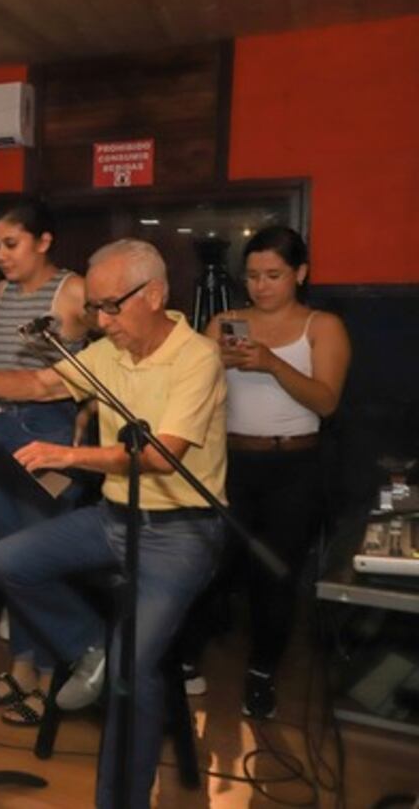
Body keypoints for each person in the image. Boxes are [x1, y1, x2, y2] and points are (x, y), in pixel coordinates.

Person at [0, 239, 227, 809]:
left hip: (184, 529)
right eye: (98, 309)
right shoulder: (110, 351)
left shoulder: (197, 357)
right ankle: (92, 648)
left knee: (132, 675)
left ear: (155, 295)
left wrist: (71, 456)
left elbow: (164, 453)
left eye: (112, 306)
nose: (103, 320)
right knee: (9, 559)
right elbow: (42, 384)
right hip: (114, 517)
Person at [207, 226, 350, 719]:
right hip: (232, 461)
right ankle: (188, 658)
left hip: (295, 464)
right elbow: (195, 391)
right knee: (213, 563)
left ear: (300, 274)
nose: (260, 286)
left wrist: (270, 362)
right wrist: (212, 362)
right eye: (252, 275)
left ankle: (263, 673)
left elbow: (326, 401)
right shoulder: (225, 321)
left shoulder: (322, 325)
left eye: (273, 275)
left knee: (276, 574)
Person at [0, 201, 90, 725]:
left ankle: (53, 673)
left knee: (40, 552)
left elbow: (103, 363)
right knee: (5, 554)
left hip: (46, 426)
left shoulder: (74, 290)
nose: (1, 256)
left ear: (43, 241)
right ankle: (21, 665)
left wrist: (86, 416)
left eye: (11, 244)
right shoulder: (1, 294)